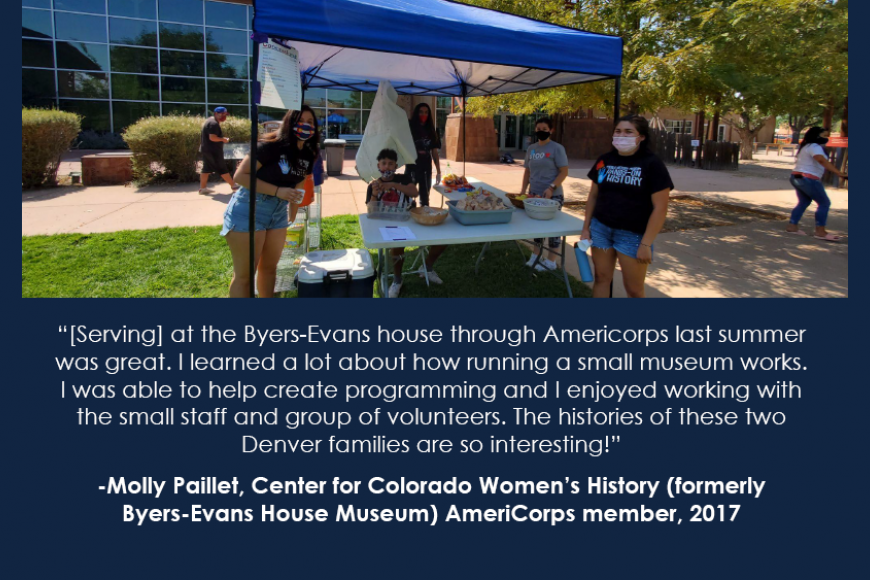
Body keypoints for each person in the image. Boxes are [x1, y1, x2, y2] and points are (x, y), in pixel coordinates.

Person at [221, 106, 320, 297]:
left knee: (269, 269)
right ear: (289, 123)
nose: (305, 126)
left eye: (310, 122)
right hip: (250, 208)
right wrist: (277, 191)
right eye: (300, 121)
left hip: (278, 213)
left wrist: (292, 213)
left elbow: (299, 185)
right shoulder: (270, 146)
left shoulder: (308, 153)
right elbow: (240, 176)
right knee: (245, 276)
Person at [580, 115, 673, 298]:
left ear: (641, 137)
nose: (622, 135)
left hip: (633, 235)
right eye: (618, 131)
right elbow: (593, 196)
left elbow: (660, 208)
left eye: (629, 132)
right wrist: (586, 228)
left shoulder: (652, 164)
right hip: (601, 229)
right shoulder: (604, 161)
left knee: (634, 289)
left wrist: (646, 243)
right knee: (601, 278)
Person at [366, 149, 422, 298]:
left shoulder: (403, 178)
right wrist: (374, 194)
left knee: (438, 237)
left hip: (406, 220)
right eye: (384, 163)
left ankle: (426, 267)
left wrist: (393, 184)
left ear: (396, 166)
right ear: (378, 165)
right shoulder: (374, 185)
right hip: (383, 223)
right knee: (397, 245)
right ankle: (397, 280)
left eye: (391, 164)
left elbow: (414, 193)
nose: (387, 167)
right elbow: (370, 211)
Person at [519, 117, 570, 272]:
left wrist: (551, 188)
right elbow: (527, 171)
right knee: (538, 228)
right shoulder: (531, 149)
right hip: (534, 195)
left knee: (553, 230)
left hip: (553, 196)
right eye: (538, 129)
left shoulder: (557, 148)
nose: (541, 132)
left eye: (545, 129)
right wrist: (523, 191)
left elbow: (564, 172)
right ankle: (536, 256)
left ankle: (551, 261)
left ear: (551, 130)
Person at [786, 127, 847, 242]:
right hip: (808, 178)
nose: (826, 138)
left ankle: (792, 226)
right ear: (817, 136)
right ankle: (820, 232)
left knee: (804, 202)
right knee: (824, 203)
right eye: (824, 135)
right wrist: (838, 173)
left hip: (797, 177)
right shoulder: (815, 147)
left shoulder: (805, 146)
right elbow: (821, 160)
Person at [408, 103, 442, 206]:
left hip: (426, 169)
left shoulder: (432, 130)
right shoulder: (409, 128)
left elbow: (434, 153)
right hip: (412, 168)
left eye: (426, 112)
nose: (424, 115)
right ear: (416, 113)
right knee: (408, 199)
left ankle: (423, 214)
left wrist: (438, 171)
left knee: (425, 199)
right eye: (421, 112)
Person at [199, 107, 239, 195]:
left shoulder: (210, 121)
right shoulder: (213, 124)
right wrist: (223, 139)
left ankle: (202, 189)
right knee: (221, 168)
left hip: (207, 149)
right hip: (213, 150)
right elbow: (212, 138)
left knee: (206, 169)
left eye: (225, 114)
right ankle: (234, 186)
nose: (224, 116)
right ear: (216, 113)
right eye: (223, 114)